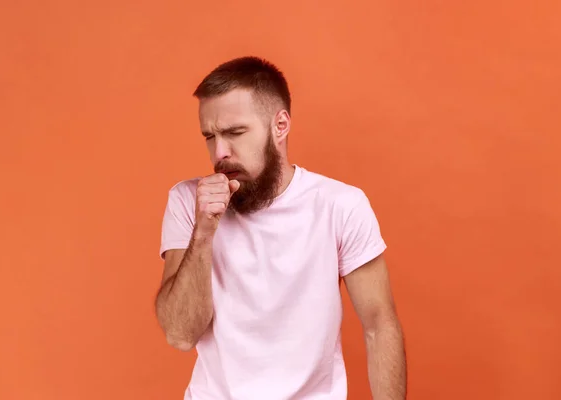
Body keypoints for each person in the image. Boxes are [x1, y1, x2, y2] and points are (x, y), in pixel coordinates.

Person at [155, 56, 406, 400]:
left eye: (235, 132)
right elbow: (180, 335)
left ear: (280, 125)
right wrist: (203, 232)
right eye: (209, 136)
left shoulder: (340, 205)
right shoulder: (188, 202)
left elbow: (380, 325)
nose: (220, 153)